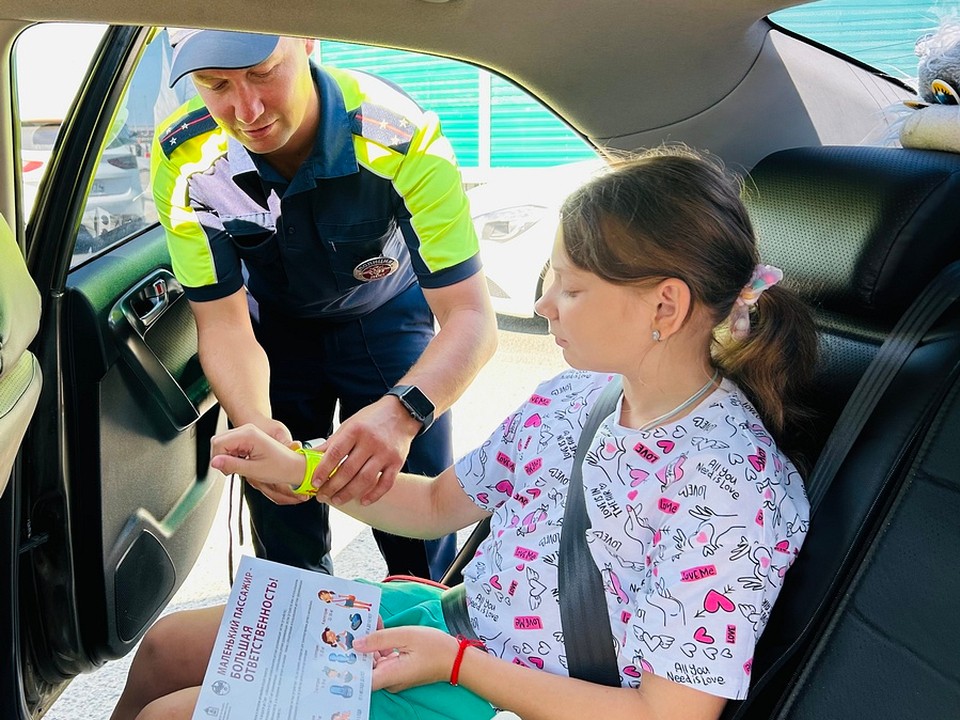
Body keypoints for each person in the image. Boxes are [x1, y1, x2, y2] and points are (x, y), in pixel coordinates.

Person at [113, 145, 818, 720]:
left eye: (571, 288)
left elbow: (667, 716)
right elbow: (433, 506)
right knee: (167, 649)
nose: (543, 304)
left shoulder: (733, 492)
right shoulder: (574, 397)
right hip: (447, 622)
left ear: (664, 302)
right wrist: (297, 469)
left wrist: (455, 664)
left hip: (502, 692)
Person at [151, 29, 499, 580]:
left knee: (416, 524)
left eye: (263, 71)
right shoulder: (186, 155)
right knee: (284, 534)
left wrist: (403, 414)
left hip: (386, 318)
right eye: (215, 84)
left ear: (308, 38)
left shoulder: (402, 136)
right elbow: (222, 321)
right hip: (273, 333)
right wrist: (255, 424)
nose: (247, 109)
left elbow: (472, 317)